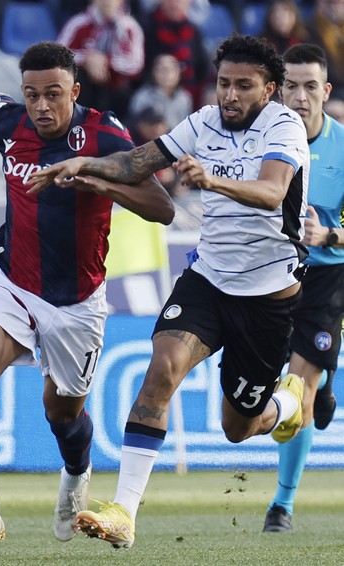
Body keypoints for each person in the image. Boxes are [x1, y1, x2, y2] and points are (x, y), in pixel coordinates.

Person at [28, 34, 309, 548]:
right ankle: (124, 512)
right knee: (162, 366)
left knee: (238, 427)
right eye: (224, 83)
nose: (229, 95)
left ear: (269, 89)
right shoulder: (202, 121)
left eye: (243, 86)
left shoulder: (284, 127)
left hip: (268, 295)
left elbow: (272, 192)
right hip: (208, 280)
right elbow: (139, 162)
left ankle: (289, 407)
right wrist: (85, 164)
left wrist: (213, 181)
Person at [0, 41, 174, 550]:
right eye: (31, 94)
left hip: (77, 303)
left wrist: (95, 174)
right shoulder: (9, 120)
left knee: (62, 415)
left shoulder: (104, 133)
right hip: (13, 280)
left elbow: (161, 207)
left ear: (74, 91)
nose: (40, 106)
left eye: (53, 94)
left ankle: (76, 471)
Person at [263, 43, 344, 533]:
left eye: (309, 86)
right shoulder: (260, 141)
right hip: (271, 273)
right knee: (263, 388)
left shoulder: (343, 148)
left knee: (298, 391)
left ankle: (282, 505)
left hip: (327, 276)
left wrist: (330, 235)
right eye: (289, 85)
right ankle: (328, 380)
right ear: (277, 90)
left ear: (325, 91)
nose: (299, 96)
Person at [57, 0, 145, 120]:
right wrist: (87, 59)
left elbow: (136, 63)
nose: (108, 2)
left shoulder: (130, 27)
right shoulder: (78, 23)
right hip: (84, 84)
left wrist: (106, 62)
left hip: (115, 87)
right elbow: (58, 54)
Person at [141, 0, 211, 109]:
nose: (175, 4)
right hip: (154, 97)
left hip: (189, 96)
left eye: (180, 1)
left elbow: (202, 69)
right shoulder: (147, 28)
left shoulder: (194, 31)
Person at [128, 53, 193, 131]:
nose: (166, 74)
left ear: (179, 73)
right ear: (154, 72)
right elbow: (135, 127)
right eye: (161, 69)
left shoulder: (185, 98)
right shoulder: (142, 97)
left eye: (171, 69)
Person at [306, 0, 344, 100]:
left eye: (338, 3)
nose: (334, 8)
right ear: (320, 3)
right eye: (329, 3)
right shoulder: (308, 29)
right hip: (327, 88)